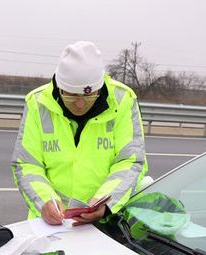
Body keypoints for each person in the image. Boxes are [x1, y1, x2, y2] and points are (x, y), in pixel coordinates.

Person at [12, 40, 148, 226]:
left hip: (105, 222)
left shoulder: (123, 100)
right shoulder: (37, 103)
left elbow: (131, 161)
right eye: (71, 95)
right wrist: (44, 201)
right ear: (59, 87)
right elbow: (27, 164)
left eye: (88, 96)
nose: (80, 104)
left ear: (99, 88)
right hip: (51, 225)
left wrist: (106, 202)